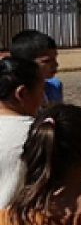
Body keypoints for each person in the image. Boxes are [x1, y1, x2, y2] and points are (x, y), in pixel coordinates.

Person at [0, 56, 44, 209]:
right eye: (42, 90)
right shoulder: (40, 133)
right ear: (22, 93)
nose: (43, 98)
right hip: (17, 222)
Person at [9, 29, 62, 103]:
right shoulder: (10, 95)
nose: (56, 64)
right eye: (46, 61)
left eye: (55, 58)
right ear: (24, 64)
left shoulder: (54, 86)